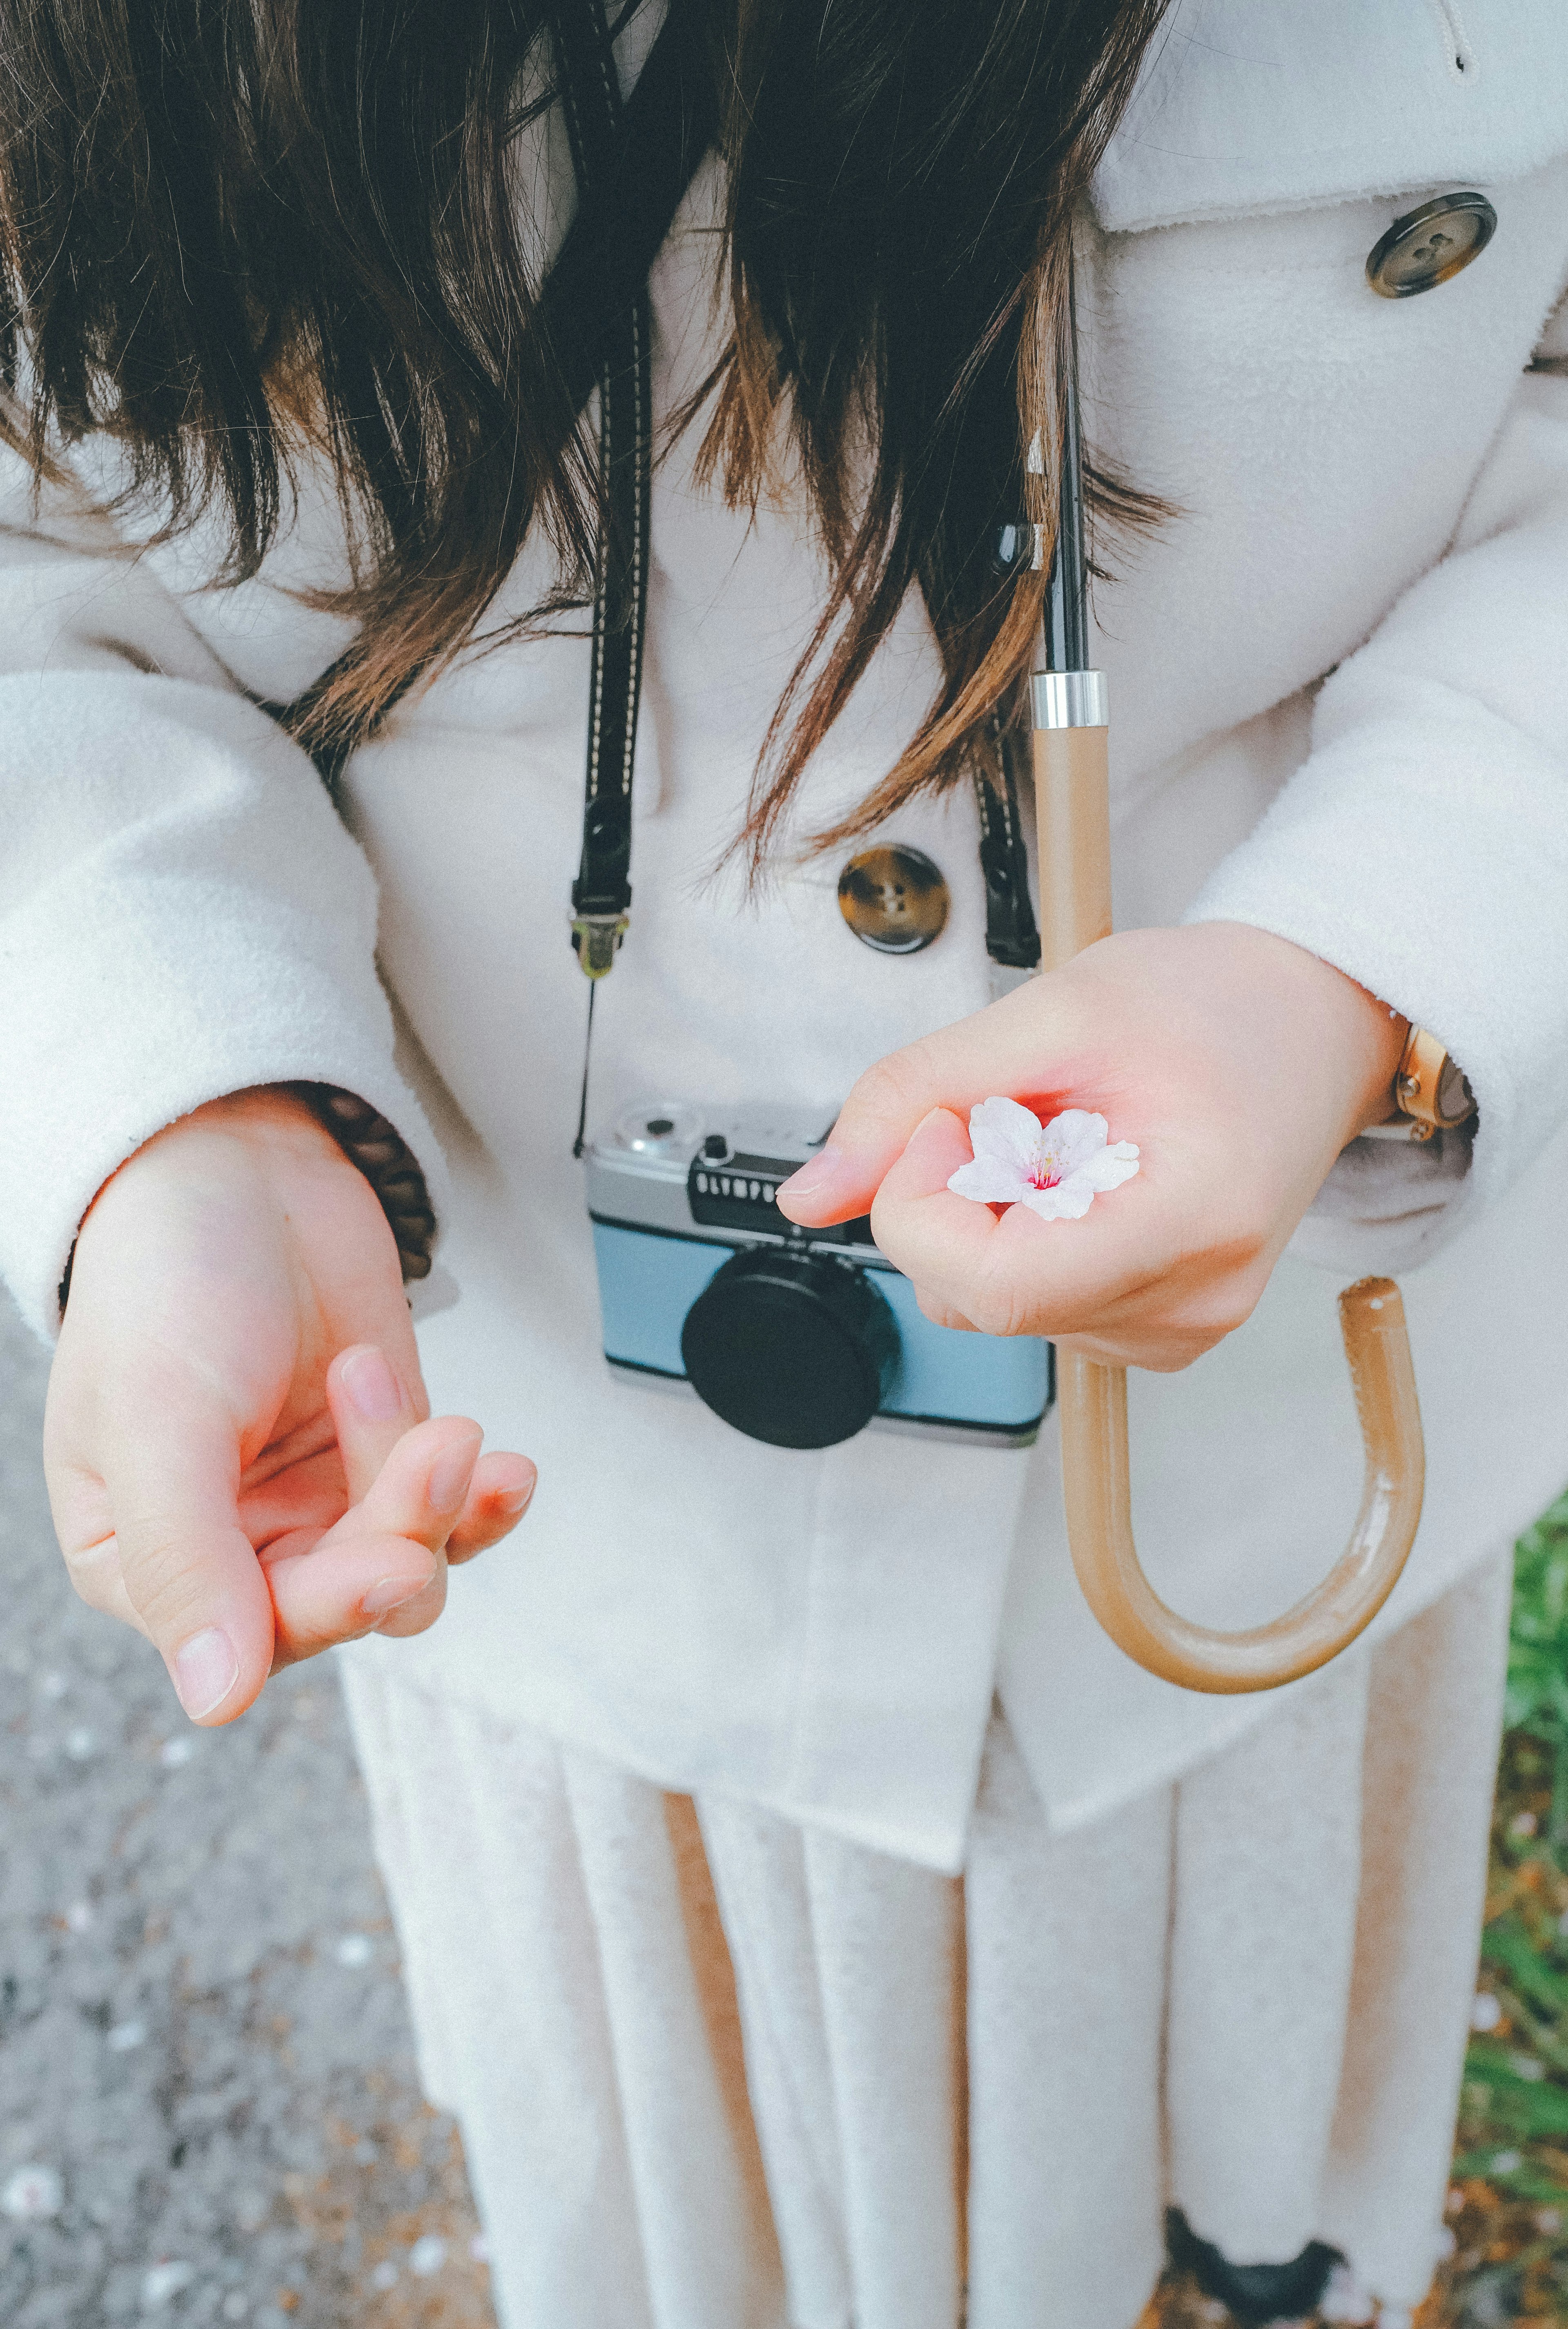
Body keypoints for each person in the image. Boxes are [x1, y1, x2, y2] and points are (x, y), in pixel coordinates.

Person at [4, 1, 1567, 2323]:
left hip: (1251, 1479)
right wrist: (170, 1092)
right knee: (686, 2217)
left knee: (1240, 2203)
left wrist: (1369, 957)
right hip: (567, 1503)